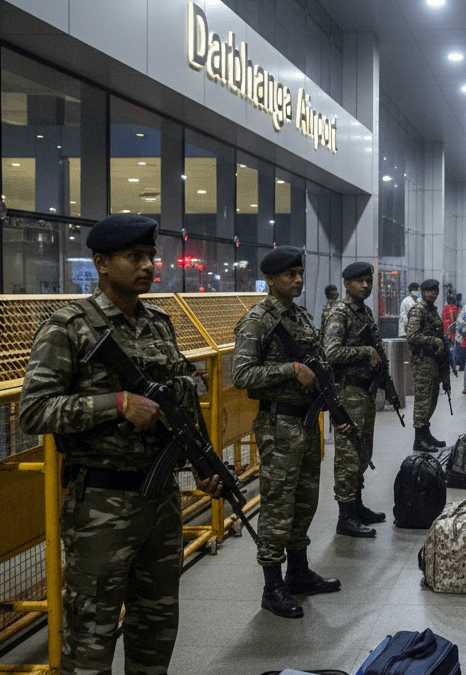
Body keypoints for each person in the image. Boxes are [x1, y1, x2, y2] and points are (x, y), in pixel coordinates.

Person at [18, 214, 221, 673]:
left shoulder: (160, 323)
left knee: (157, 625)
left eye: (151, 256)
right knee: (91, 634)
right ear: (102, 263)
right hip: (101, 507)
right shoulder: (68, 326)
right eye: (135, 257)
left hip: (161, 500)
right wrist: (116, 403)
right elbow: (33, 411)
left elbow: (180, 401)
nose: (148, 265)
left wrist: (204, 461)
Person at [233, 246, 342, 618]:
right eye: (289, 275)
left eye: (299, 273)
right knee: (278, 504)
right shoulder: (257, 321)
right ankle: (272, 585)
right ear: (270, 279)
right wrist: (289, 369)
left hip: (307, 423)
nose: (297, 280)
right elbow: (242, 376)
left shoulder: (301, 316)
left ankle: (298, 572)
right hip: (279, 426)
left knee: (305, 499)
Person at [322, 262, 392, 538]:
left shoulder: (364, 311)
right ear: (347, 284)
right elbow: (331, 353)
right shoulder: (340, 312)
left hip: (364, 393)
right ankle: (346, 515)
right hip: (347, 393)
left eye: (368, 281)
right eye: (359, 281)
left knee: (363, 453)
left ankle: (358, 505)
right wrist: (364, 352)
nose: (365, 285)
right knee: (348, 455)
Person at [407, 278, 450, 452]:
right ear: (422, 292)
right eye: (428, 291)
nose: (431, 294)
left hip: (433, 361)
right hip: (423, 361)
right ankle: (419, 439)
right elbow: (412, 336)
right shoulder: (419, 310)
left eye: (434, 291)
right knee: (423, 401)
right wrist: (434, 340)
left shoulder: (431, 309)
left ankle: (426, 434)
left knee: (432, 399)